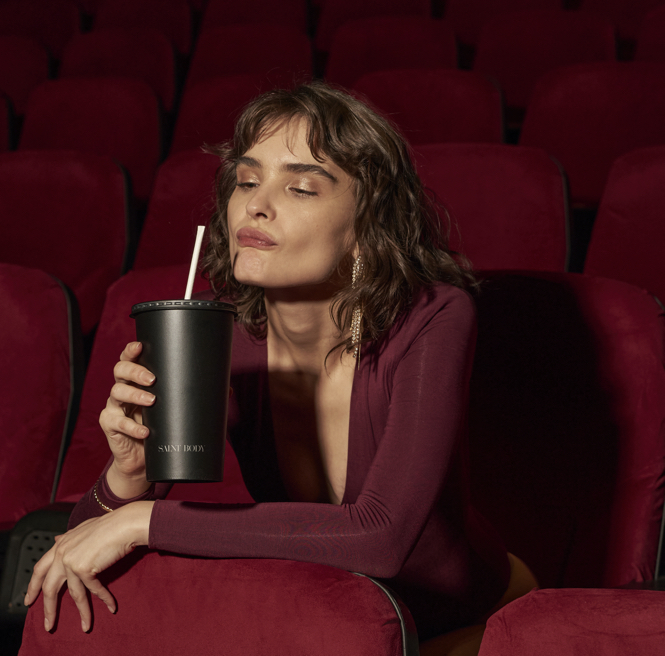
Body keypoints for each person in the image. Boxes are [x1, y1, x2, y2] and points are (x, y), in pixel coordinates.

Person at [25, 81, 511, 640]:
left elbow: (381, 537)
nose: (256, 204)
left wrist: (145, 520)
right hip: (322, 615)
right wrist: (129, 476)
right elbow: (81, 547)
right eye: (247, 180)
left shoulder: (432, 315)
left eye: (301, 187)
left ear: (367, 225)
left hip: (451, 619)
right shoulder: (212, 330)